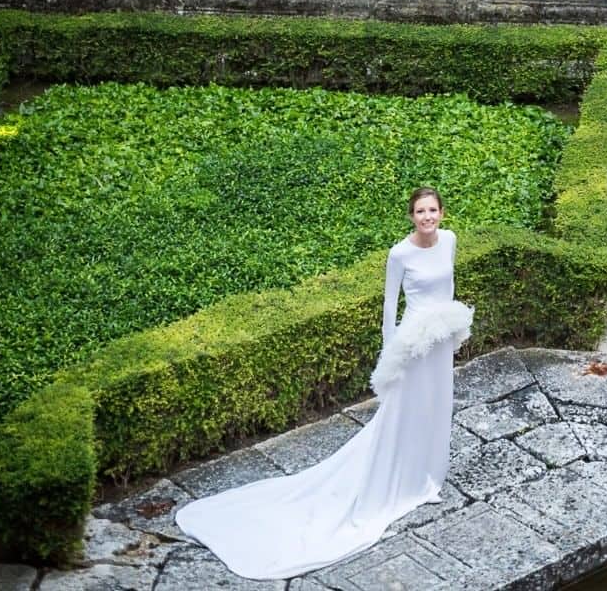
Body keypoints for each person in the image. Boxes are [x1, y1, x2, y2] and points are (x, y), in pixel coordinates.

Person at [175, 187, 473, 580]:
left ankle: (427, 478)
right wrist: (392, 357)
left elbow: (448, 289)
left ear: (442, 212)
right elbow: (389, 310)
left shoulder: (449, 240)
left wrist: (451, 332)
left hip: (440, 342)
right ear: (410, 216)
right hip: (414, 345)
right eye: (420, 211)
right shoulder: (399, 253)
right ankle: (400, 481)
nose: (427, 217)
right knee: (405, 413)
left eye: (432, 210)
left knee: (437, 408)